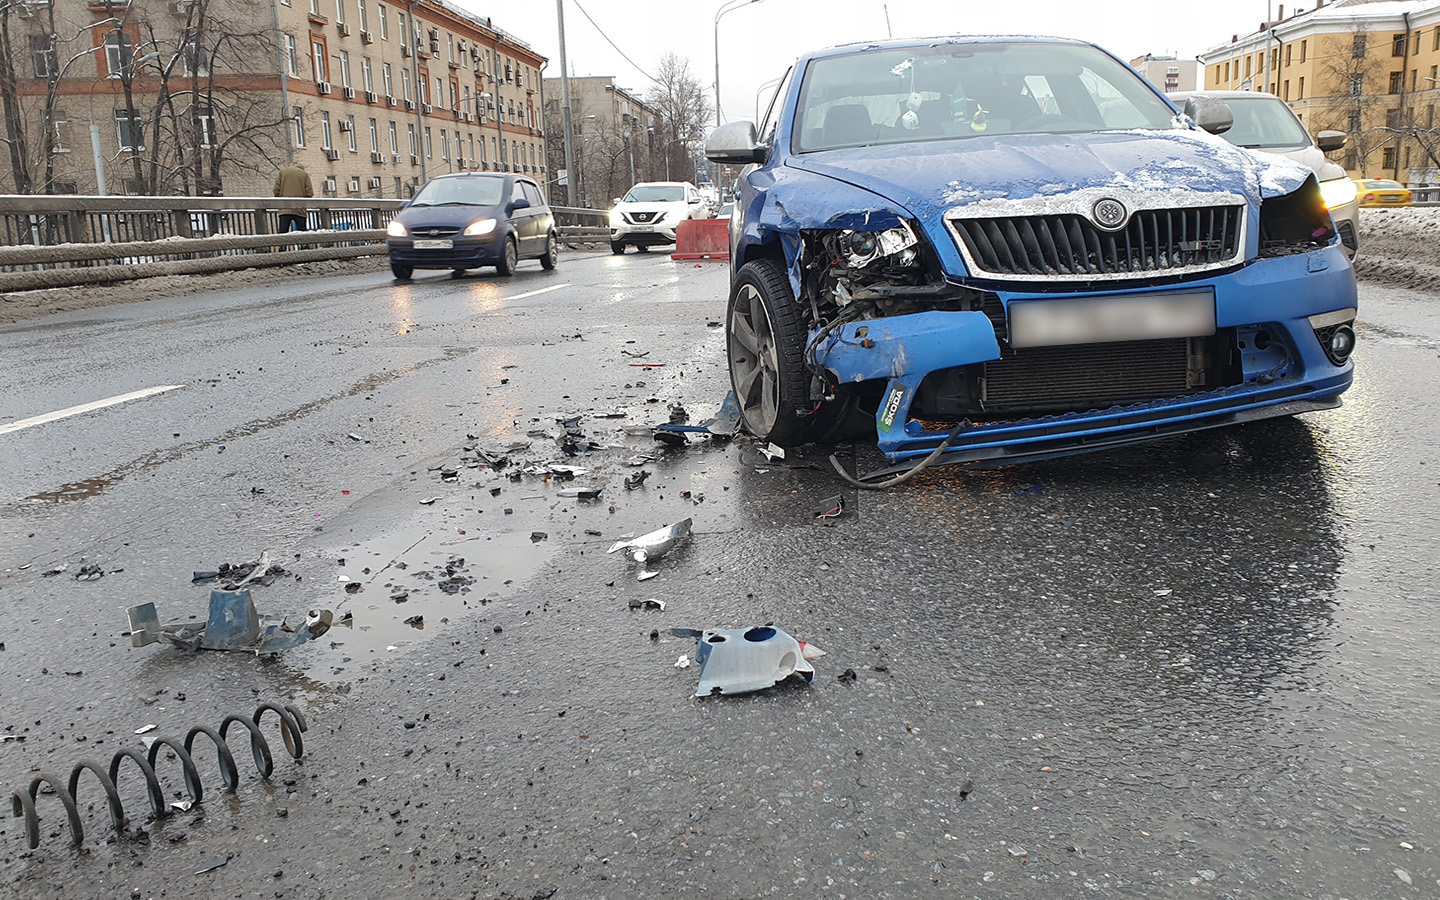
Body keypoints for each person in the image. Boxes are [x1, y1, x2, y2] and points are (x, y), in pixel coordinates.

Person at [273, 161, 313, 233]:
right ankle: (303, 244)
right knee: (302, 232)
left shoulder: (282, 172)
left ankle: (283, 244)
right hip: (300, 208)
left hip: (285, 207)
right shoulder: (304, 174)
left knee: (283, 232)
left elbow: (276, 189)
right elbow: (310, 192)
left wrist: (280, 200)